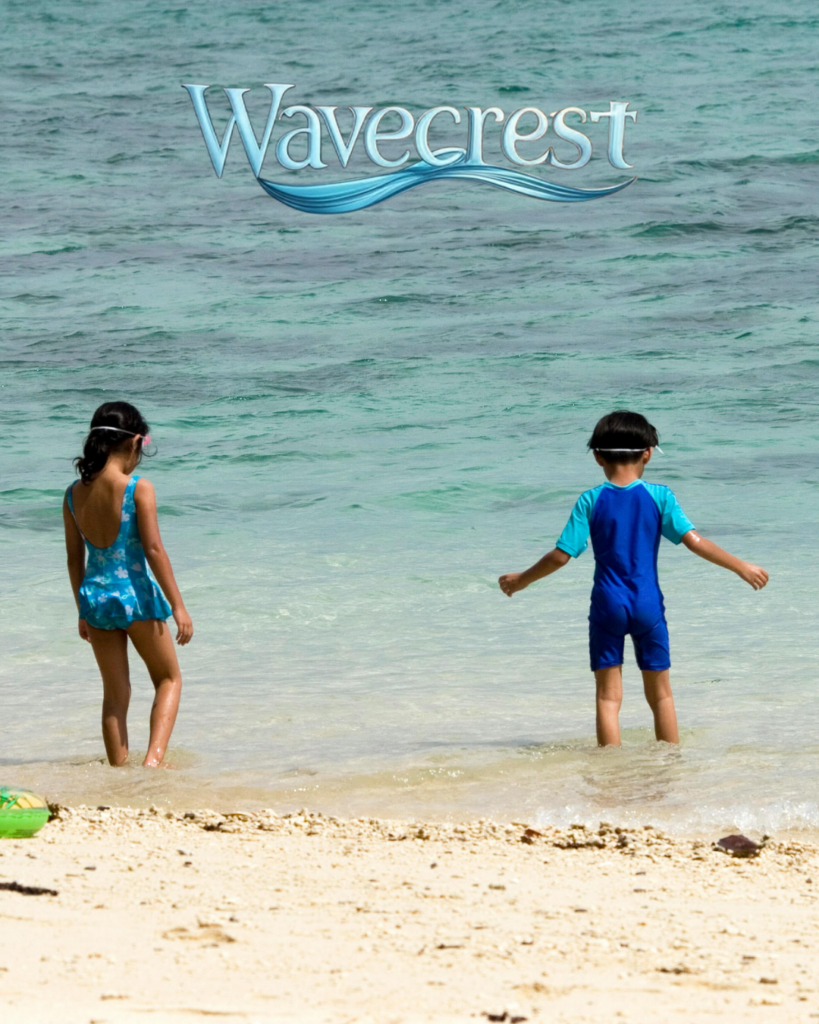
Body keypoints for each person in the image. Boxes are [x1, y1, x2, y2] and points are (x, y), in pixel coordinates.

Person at [498, 410, 768, 747]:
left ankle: (611, 769)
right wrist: (741, 566)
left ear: (597, 456)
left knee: (608, 698)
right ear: (648, 453)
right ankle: (670, 764)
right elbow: (695, 542)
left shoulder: (590, 500)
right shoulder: (660, 496)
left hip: (607, 605)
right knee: (661, 696)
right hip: (647, 605)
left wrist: (522, 580)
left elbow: (560, 556)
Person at [63, 401, 193, 767]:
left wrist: (82, 611)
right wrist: (178, 606)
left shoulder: (72, 494)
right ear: (135, 442)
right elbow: (153, 549)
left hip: (96, 600)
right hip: (136, 599)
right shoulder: (138, 488)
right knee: (168, 679)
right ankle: (152, 763)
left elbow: (74, 559)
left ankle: (120, 771)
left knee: (115, 695)